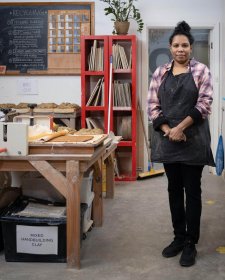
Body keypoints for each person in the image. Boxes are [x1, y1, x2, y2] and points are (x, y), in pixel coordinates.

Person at [147, 21, 215, 267]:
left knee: (192, 191)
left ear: (190, 47)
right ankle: (178, 237)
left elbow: (204, 105)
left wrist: (180, 128)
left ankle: (190, 243)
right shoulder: (160, 73)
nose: (180, 49)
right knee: (173, 190)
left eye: (184, 45)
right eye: (176, 45)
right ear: (170, 47)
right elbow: (153, 106)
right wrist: (168, 130)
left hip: (192, 140)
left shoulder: (201, 71)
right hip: (169, 141)